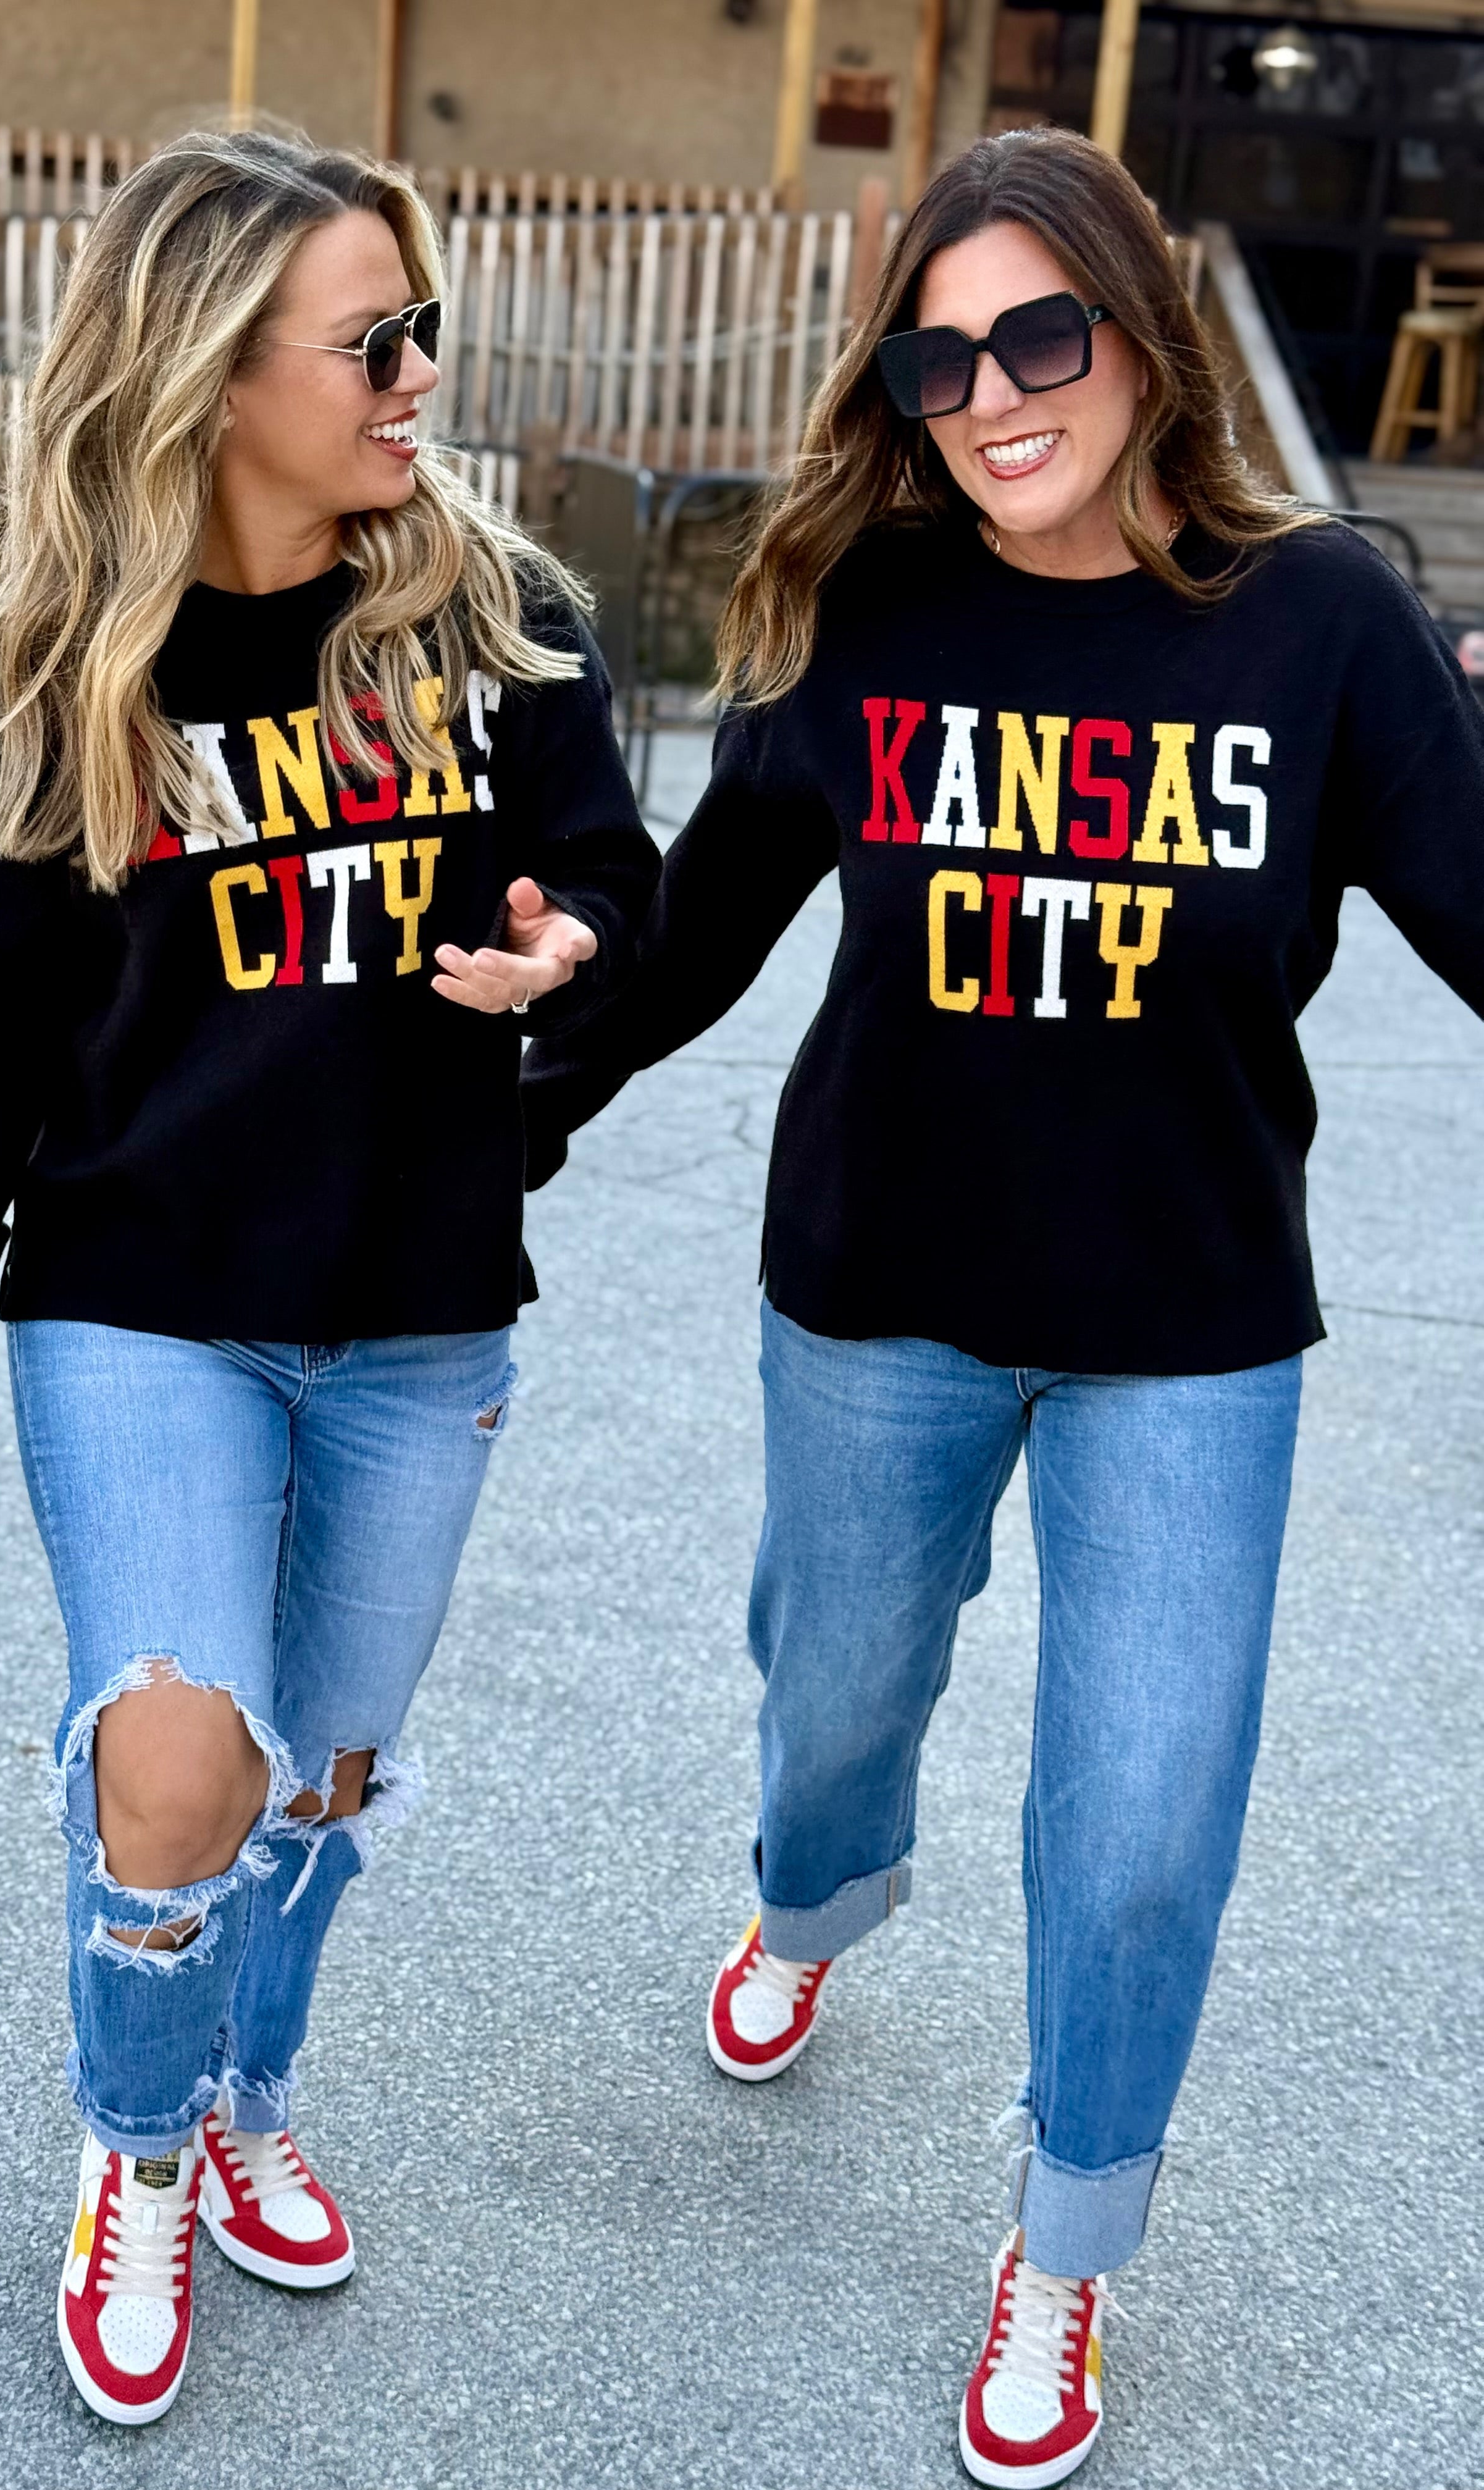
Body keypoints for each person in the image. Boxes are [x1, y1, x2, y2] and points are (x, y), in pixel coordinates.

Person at [521, 127, 1484, 2486]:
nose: (992, 394)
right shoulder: (876, 608)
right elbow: (710, 925)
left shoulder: (1322, 625)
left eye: (1039, 334)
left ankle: (1068, 2233)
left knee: (1146, 1822)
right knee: (835, 1692)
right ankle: (811, 1901)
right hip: (880, 1294)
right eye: (937, 362)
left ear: (1140, 336)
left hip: (1191, 1328)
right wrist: (528, 1074)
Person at [0, 130, 658, 2428]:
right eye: (372, 341)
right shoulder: (64, 668)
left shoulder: (497, 624)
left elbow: (620, 877)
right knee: (179, 1762)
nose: (421, 375)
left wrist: (572, 953)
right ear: (219, 375)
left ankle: (241, 2093)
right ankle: (133, 2153)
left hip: (422, 1314)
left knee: (320, 1775)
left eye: (427, 329)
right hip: (139, 1303)